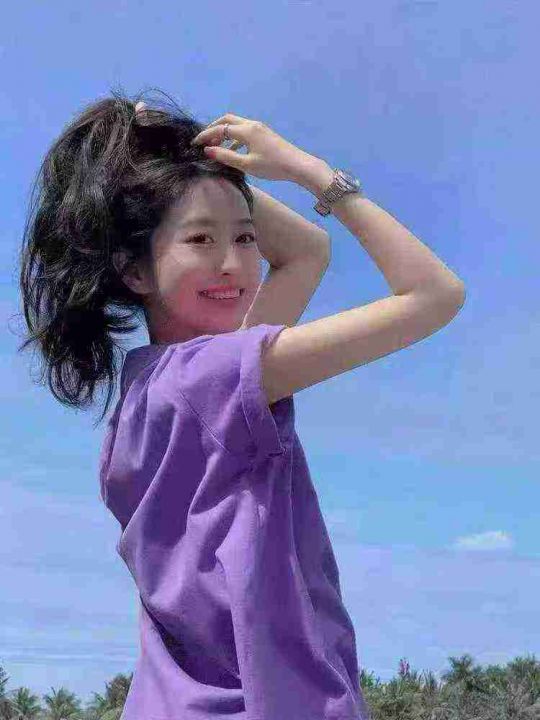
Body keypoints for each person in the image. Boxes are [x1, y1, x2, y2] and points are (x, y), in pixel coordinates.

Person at [18, 88, 465, 719]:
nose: (233, 264)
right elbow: (434, 294)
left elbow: (306, 252)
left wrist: (183, 155)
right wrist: (308, 170)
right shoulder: (214, 378)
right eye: (201, 240)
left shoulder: (151, 394)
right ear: (135, 272)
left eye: (246, 239)